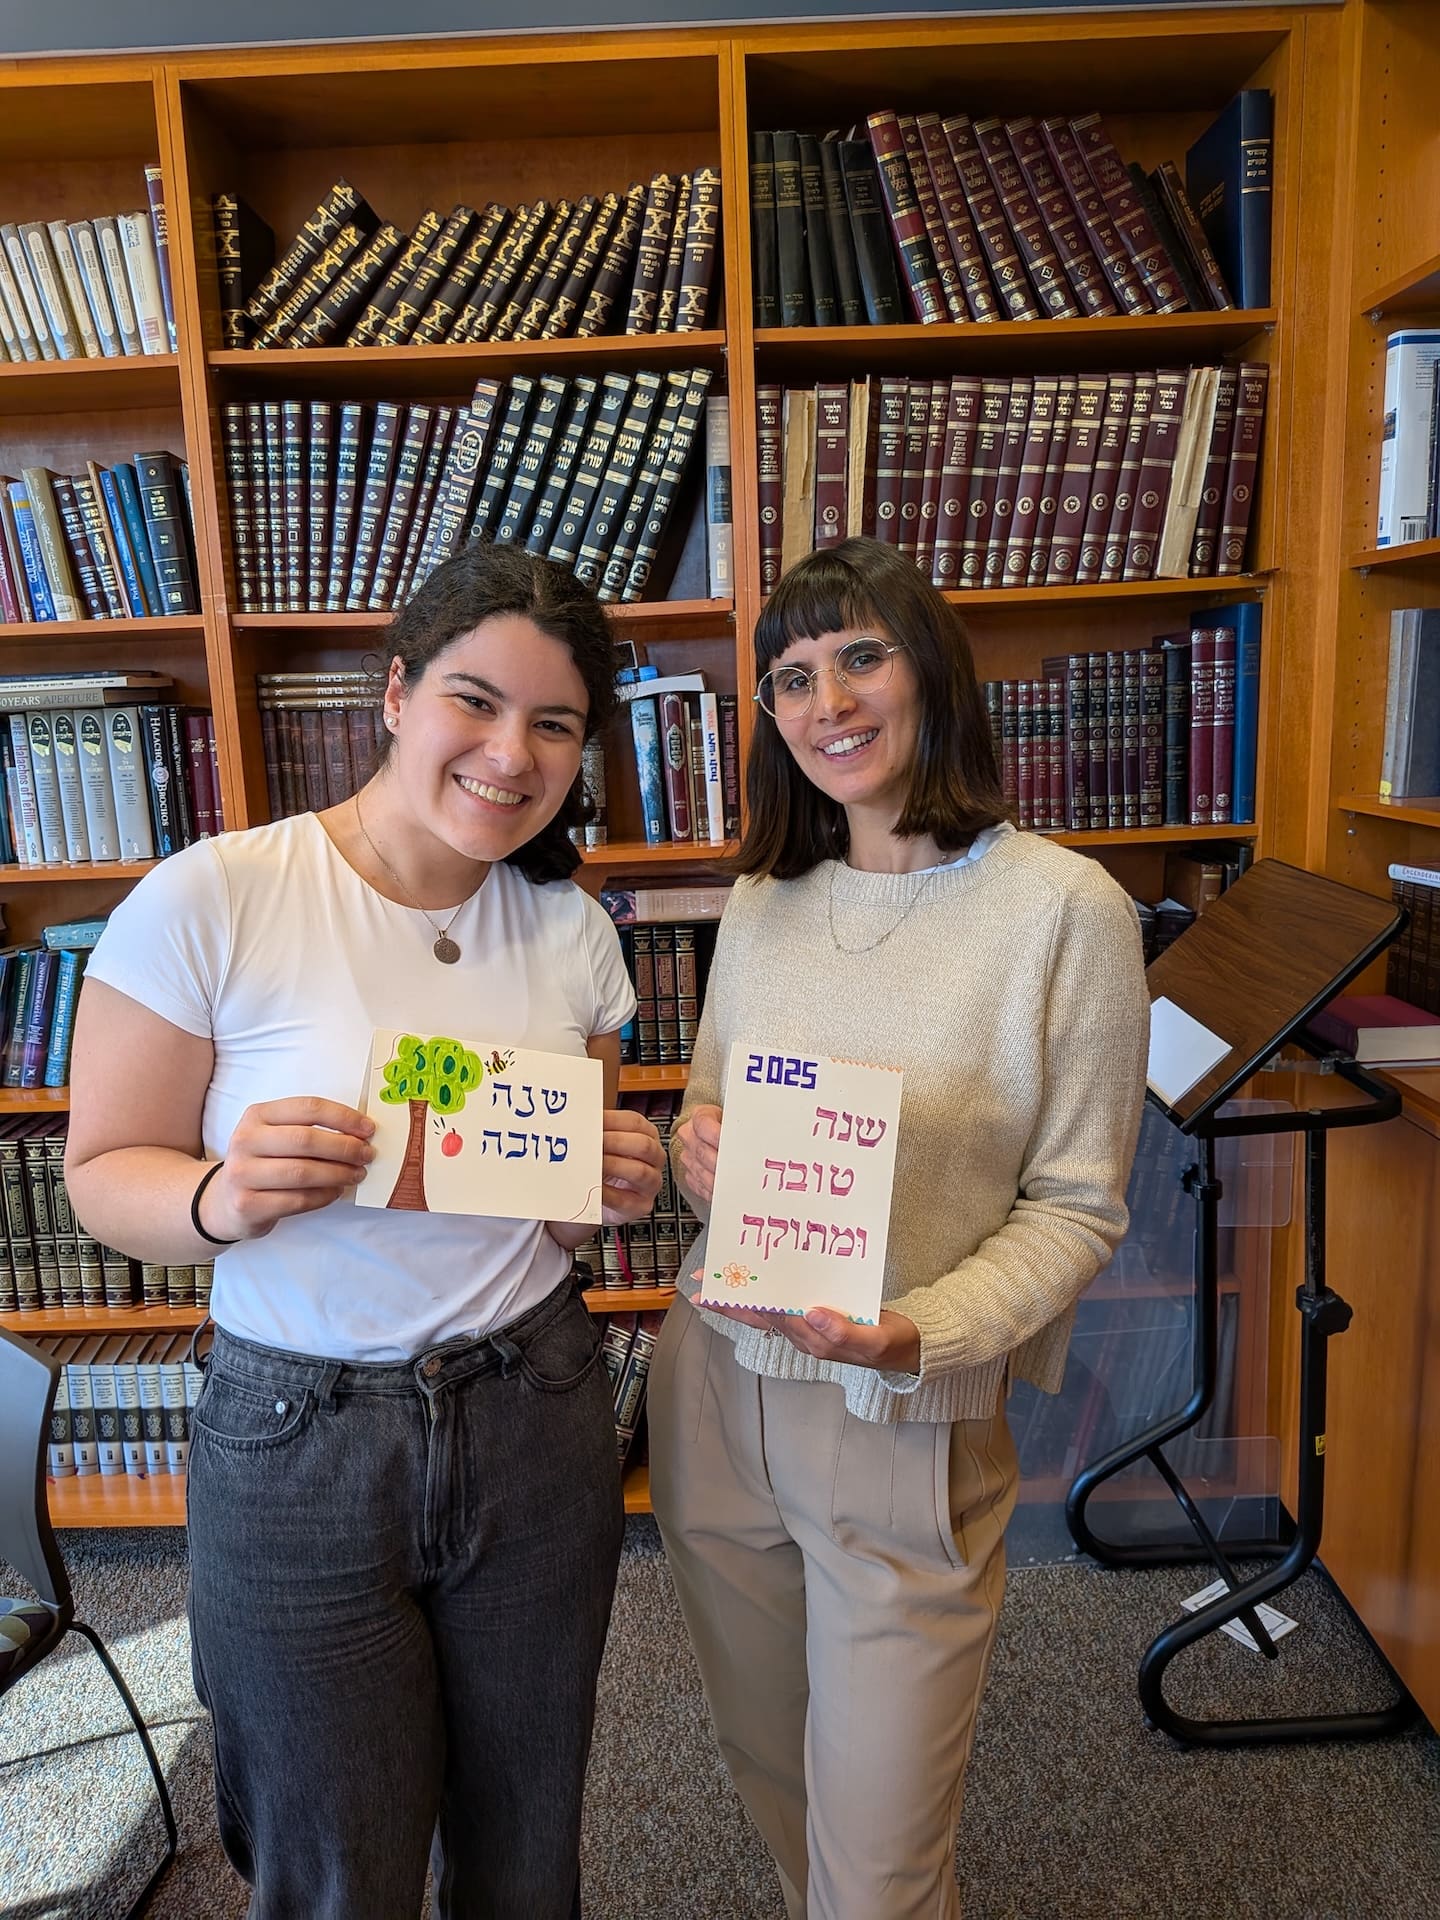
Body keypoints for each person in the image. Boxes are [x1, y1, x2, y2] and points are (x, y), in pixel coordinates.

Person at [64, 540, 666, 1920]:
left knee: (526, 1848)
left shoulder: (571, 929)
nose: (511, 754)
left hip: (535, 1405)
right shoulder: (217, 895)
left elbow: (557, 1224)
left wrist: (602, 1190)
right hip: (296, 1439)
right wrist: (221, 1193)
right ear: (394, 694)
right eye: (475, 700)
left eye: (555, 724)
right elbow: (102, 1174)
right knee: (335, 1867)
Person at [648, 535, 1149, 1920]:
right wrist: (700, 1156)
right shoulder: (764, 901)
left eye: (861, 656)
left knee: (881, 1861)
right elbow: (715, 1131)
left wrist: (919, 1331)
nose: (827, 702)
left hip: (901, 1412)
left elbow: (1077, 1206)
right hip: (716, 1385)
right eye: (792, 676)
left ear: (931, 671)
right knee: (769, 1757)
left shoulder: (1065, 913)